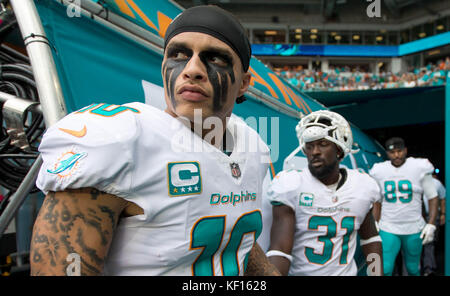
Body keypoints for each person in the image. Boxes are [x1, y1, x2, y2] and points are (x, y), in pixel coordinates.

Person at [30, 5, 280, 276]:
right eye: (179, 55)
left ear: (243, 83)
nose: (192, 69)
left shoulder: (251, 145)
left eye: (216, 59)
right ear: (163, 67)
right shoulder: (121, 139)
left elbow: (233, 236)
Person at [266, 110, 383, 276]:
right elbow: (280, 250)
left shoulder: (361, 186)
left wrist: (376, 273)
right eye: (309, 145)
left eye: (322, 144)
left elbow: (370, 239)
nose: (314, 152)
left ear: (339, 149)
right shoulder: (291, 186)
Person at [370, 137, 438, 276]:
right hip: (388, 226)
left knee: (413, 268)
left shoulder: (419, 166)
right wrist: (375, 221)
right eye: (392, 152)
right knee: (386, 268)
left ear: (405, 150)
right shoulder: (380, 170)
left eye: (399, 151)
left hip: (414, 226)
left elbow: (432, 196)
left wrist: (431, 224)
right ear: (387, 154)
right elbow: (377, 199)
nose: (396, 155)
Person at [421, 174, 446, 276]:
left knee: (429, 243)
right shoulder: (413, 180)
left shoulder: (436, 183)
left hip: (432, 216)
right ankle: (415, 269)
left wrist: (443, 214)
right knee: (413, 243)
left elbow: (443, 199)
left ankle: (429, 269)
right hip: (416, 216)